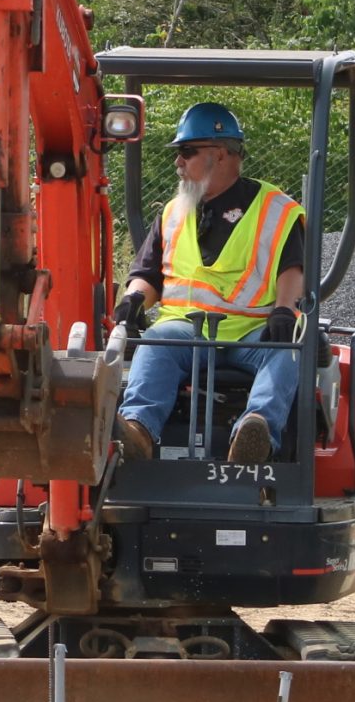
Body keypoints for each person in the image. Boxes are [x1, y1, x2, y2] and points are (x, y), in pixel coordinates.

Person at [112, 102, 307, 464]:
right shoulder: (173, 212)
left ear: (219, 154)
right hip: (185, 332)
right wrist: (133, 300)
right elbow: (148, 274)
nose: (178, 162)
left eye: (187, 151)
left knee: (288, 352)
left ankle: (255, 432)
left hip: (254, 330)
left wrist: (284, 310)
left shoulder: (275, 209)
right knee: (156, 344)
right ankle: (138, 431)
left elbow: (292, 268)